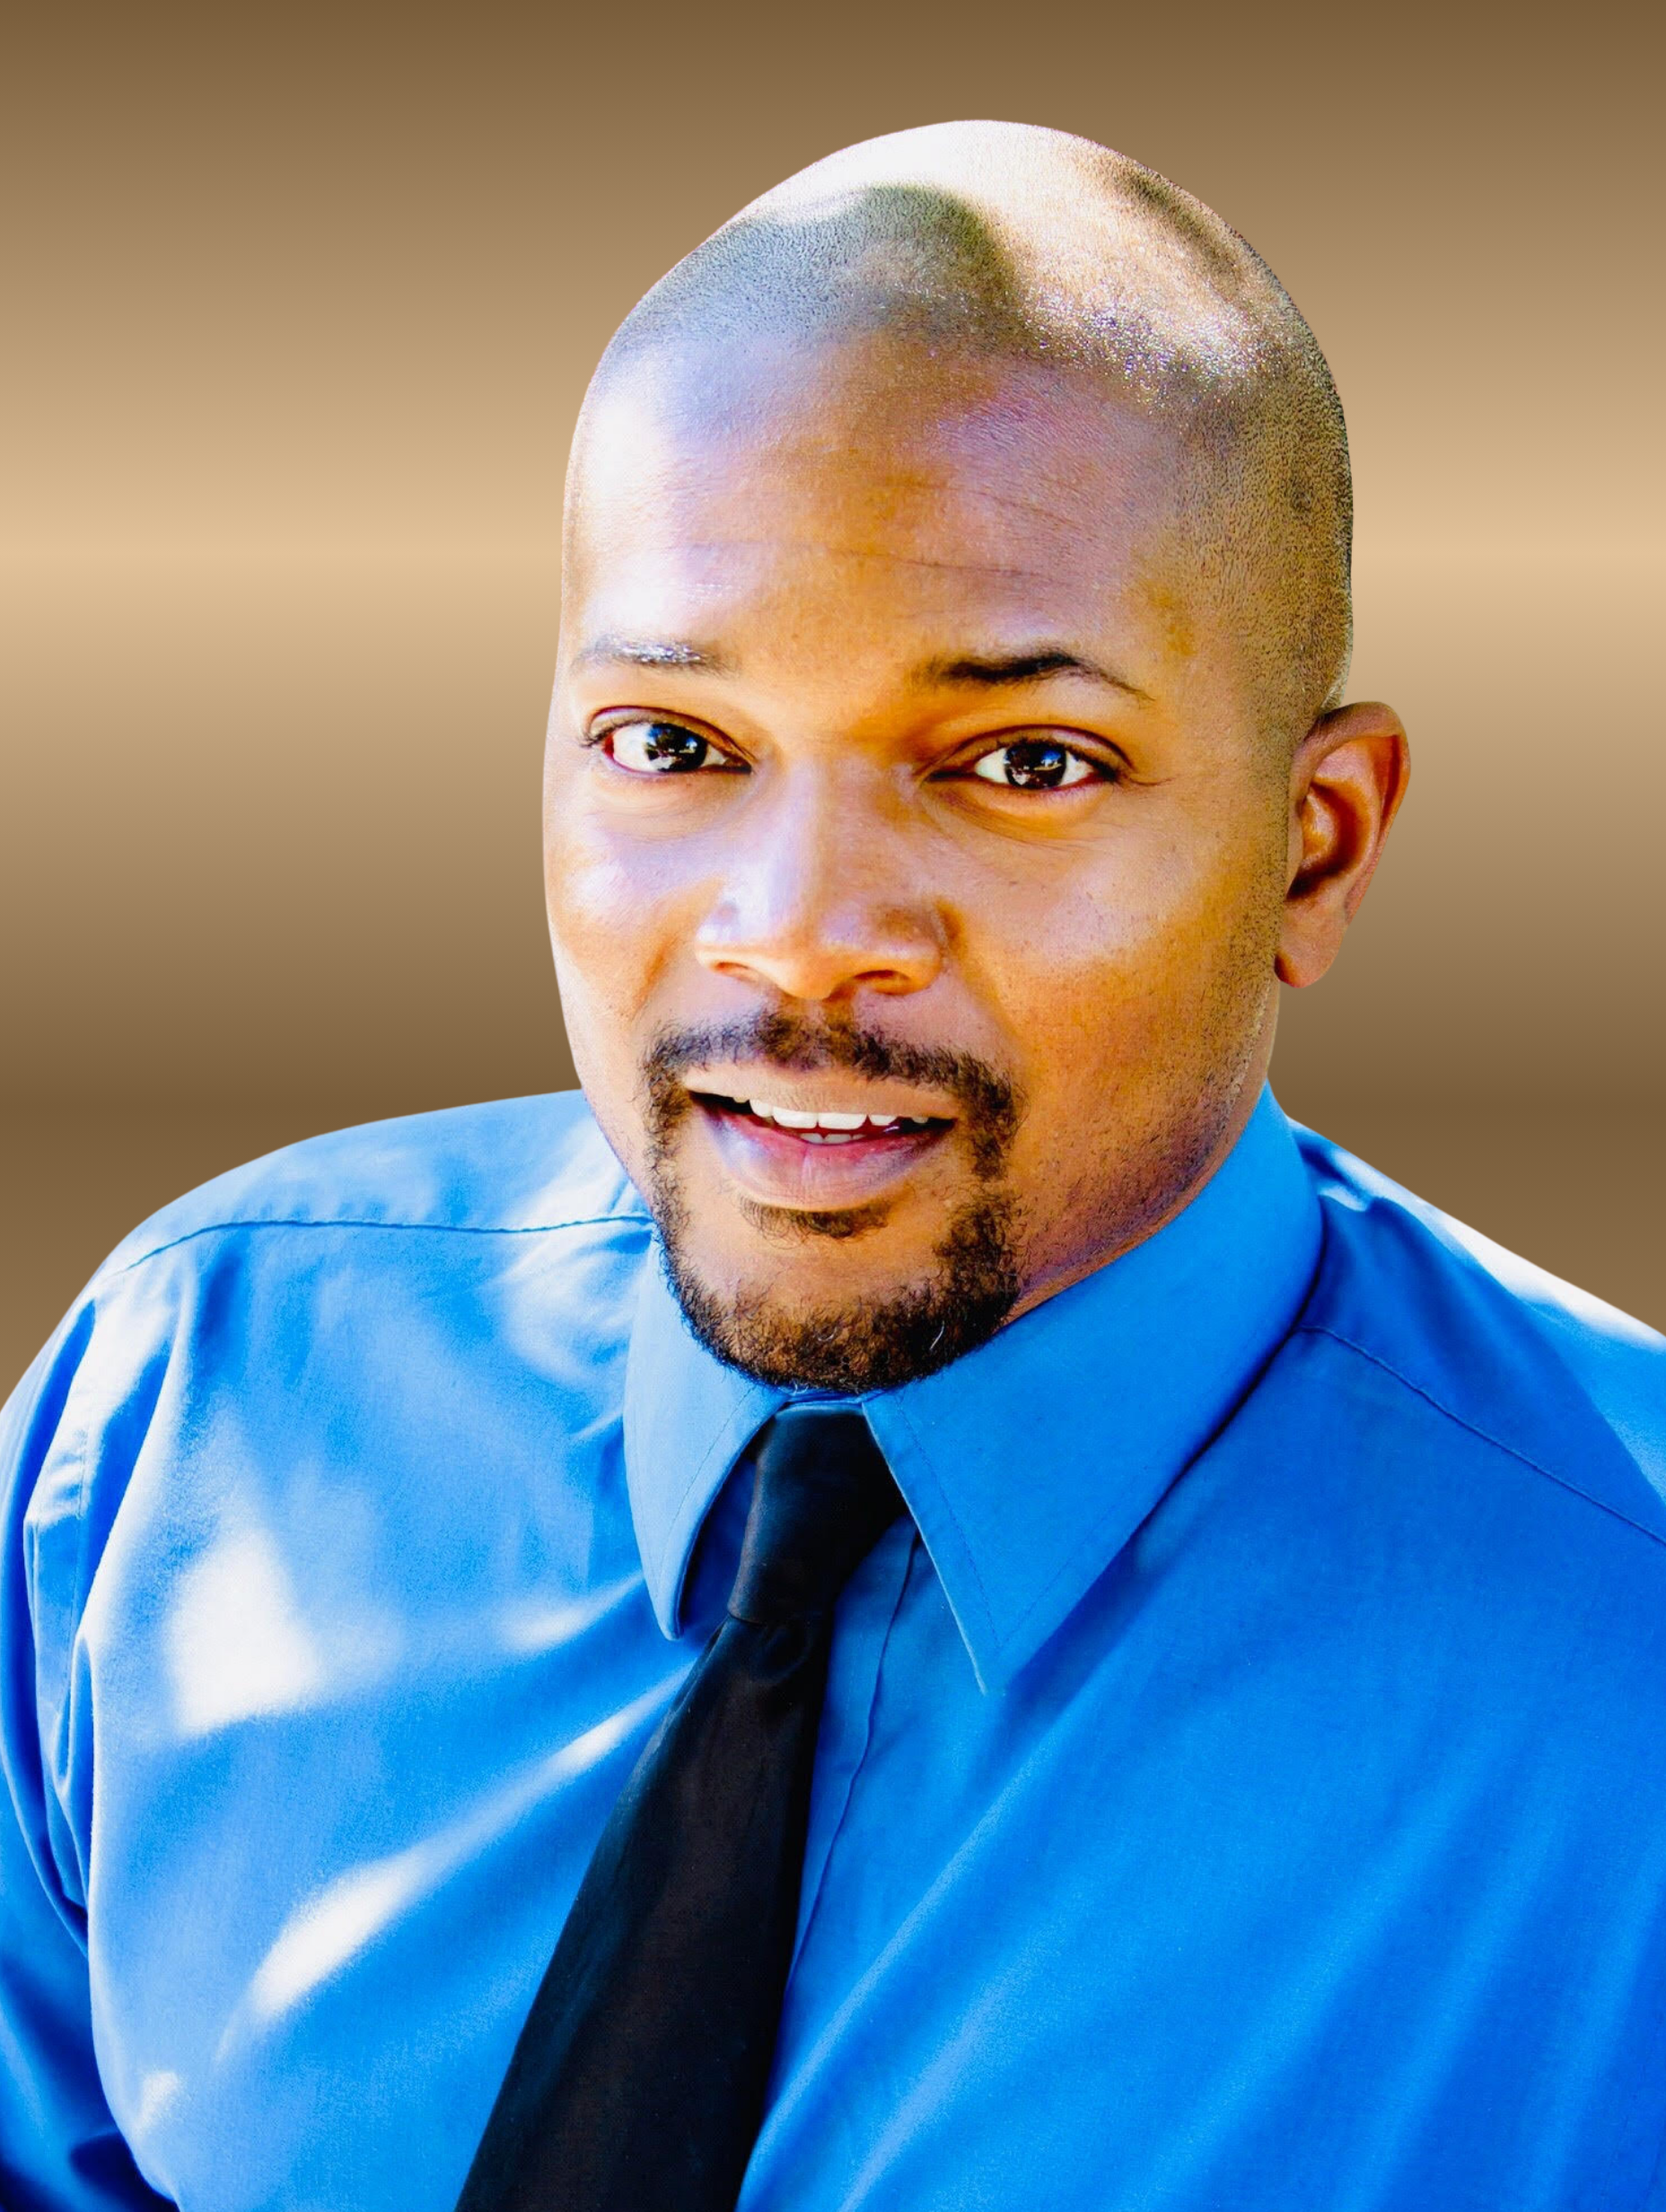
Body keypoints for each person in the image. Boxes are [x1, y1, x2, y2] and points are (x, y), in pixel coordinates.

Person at [3, 119, 1662, 2212]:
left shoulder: (1629, 1665)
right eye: (673, 744)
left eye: (1020, 763)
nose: (794, 928)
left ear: (1310, 844)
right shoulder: (188, 1408)